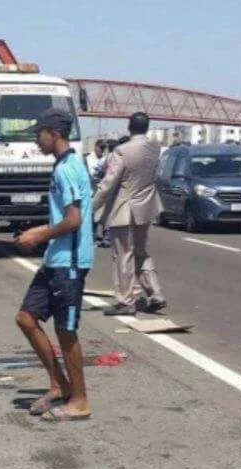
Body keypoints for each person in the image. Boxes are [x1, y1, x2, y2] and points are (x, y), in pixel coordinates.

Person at [14, 108, 93, 422]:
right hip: (55, 259)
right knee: (25, 318)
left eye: (39, 133)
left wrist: (38, 234)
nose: (37, 139)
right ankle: (59, 384)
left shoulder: (67, 169)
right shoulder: (64, 165)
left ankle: (81, 399)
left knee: (66, 331)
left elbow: (74, 220)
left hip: (69, 263)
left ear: (54, 133)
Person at [93, 112, 166, 316]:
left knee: (123, 255)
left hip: (123, 208)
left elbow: (108, 183)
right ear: (146, 127)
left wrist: (91, 207)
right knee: (141, 251)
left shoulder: (122, 151)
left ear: (129, 127)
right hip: (146, 206)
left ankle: (125, 301)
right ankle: (155, 293)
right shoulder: (155, 148)